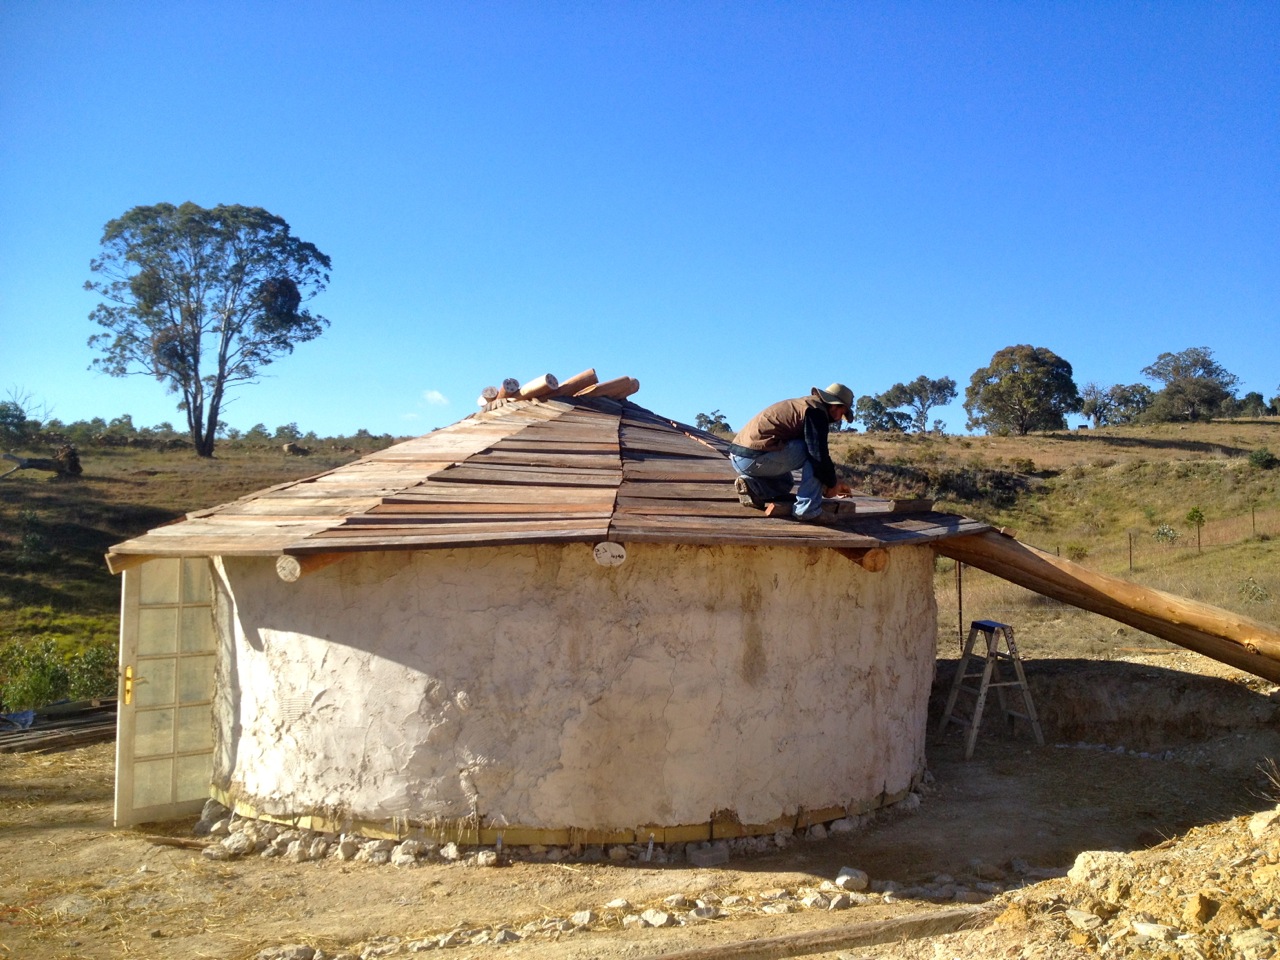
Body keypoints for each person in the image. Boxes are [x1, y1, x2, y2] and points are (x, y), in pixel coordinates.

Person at [729, 383, 855, 522]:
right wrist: (832, 484)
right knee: (811, 454)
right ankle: (808, 510)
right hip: (755, 458)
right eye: (842, 413)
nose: (839, 418)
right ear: (834, 405)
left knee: (785, 483)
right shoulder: (816, 412)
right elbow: (818, 456)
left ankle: (753, 486)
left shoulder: (805, 404)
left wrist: (831, 483)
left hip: (740, 458)